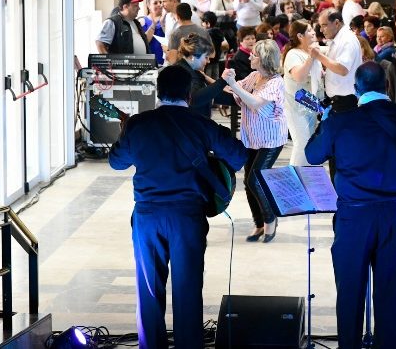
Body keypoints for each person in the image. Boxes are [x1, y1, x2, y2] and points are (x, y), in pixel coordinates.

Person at [305, 61, 396, 349]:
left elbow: (313, 155)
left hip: (354, 216)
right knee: (391, 289)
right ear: (387, 86)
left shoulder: (340, 120)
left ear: (356, 89)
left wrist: (324, 122)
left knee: (350, 290)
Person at [108, 64, 248, 349]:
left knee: (148, 290)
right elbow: (238, 157)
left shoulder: (138, 124)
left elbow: (116, 162)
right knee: (187, 289)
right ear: (189, 94)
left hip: (148, 217)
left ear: (158, 92)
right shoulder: (200, 124)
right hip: (187, 217)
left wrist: (126, 133)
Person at [223, 39, 288, 243]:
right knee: (248, 180)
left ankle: (270, 219)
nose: (250, 56)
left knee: (255, 179)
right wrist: (215, 81)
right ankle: (259, 223)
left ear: (264, 59)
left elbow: (255, 102)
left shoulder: (276, 82)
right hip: (252, 138)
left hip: (271, 139)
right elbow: (234, 91)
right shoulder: (254, 76)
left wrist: (233, 84)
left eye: (254, 54)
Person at [282, 20, 323, 166]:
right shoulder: (293, 54)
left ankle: (304, 177)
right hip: (295, 106)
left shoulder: (310, 52)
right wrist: (312, 57)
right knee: (302, 143)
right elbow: (299, 77)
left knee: (308, 142)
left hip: (310, 106)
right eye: (310, 30)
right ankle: (294, 180)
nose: (313, 32)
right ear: (300, 35)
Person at [313, 9, 362, 111]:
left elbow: (342, 69)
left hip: (346, 100)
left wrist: (319, 56)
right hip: (338, 99)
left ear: (336, 23)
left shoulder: (347, 40)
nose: (321, 30)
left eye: (324, 25)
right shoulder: (339, 38)